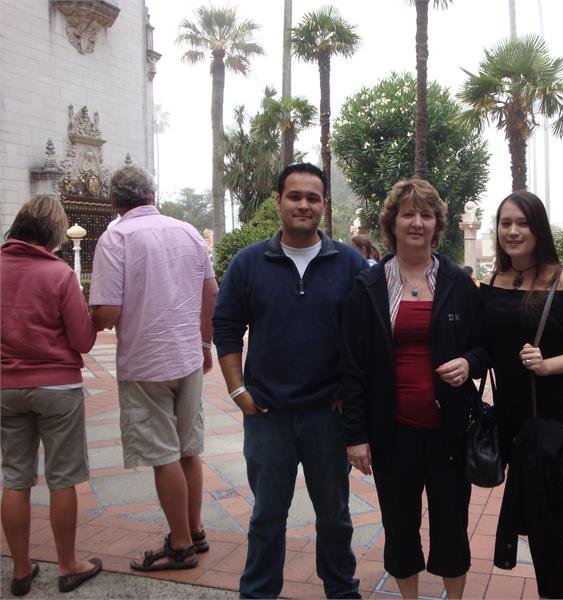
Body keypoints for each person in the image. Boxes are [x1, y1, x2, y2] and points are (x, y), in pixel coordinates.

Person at [213, 163, 365, 599]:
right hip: (268, 415)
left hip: (328, 417)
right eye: (294, 196)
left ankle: (341, 590)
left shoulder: (349, 263)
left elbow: (365, 336)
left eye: (313, 197)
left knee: (334, 515)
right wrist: (238, 391)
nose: (303, 204)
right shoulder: (249, 263)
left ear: (324, 205)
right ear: (279, 201)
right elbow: (226, 327)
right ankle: (258, 592)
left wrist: (350, 394)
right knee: (266, 516)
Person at [341, 179, 487, 599]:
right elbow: (352, 367)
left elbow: (484, 346)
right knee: (400, 529)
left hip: (450, 433)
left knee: (452, 528)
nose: (417, 222)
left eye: (426, 214)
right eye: (408, 214)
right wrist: (356, 435)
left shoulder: (457, 282)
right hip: (393, 434)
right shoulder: (369, 286)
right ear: (392, 223)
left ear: (437, 223)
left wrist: (469, 363)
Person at [480, 191, 563, 599]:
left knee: (554, 532)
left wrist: (548, 364)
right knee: (532, 521)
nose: (513, 231)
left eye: (523, 223)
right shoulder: (493, 283)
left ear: (538, 229)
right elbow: (485, 346)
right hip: (514, 426)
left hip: (556, 426)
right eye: (505, 223)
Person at [91, 166, 218, 571]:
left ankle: (180, 546)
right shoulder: (188, 231)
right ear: (153, 194)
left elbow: (108, 312)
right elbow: (211, 292)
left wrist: (90, 316)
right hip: (187, 357)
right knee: (188, 449)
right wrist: (204, 343)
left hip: (146, 362)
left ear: (114, 202)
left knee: (164, 455)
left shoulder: (116, 237)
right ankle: (194, 530)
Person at [1, 197, 103, 597]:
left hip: (6, 387)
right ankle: (68, 565)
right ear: (53, 232)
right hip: (57, 386)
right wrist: (94, 323)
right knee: (63, 478)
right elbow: (82, 340)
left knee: (15, 478)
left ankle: (21, 570)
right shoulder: (59, 274)